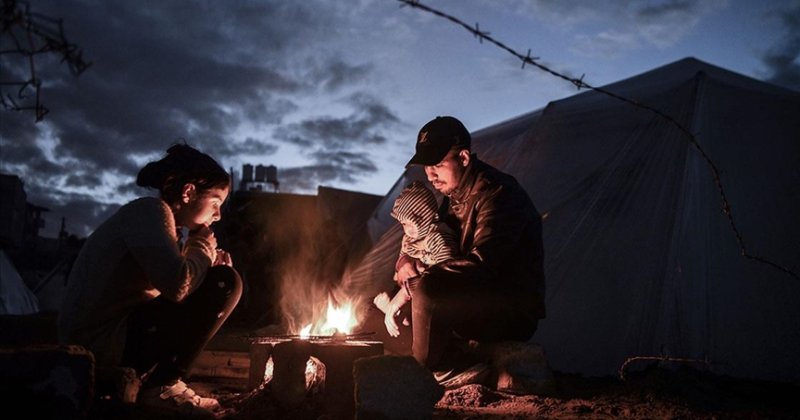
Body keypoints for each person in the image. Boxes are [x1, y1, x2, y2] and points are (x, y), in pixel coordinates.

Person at [58, 143, 242, 416]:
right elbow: (178, 286)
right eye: (215, 203)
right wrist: (201, 248)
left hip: (113, 335)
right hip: (100, 340)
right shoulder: (150, 212)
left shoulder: (161, 223)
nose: (217, 215)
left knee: (217, 278)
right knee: (224, 283)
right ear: (189, 192)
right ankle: (161, 386)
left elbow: (173, 285)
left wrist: (204, 264)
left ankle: (165, 383)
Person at [393, 115, 546, 371]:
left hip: (508, 309)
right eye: (426, 167)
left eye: (438, 164)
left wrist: (420, 280)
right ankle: (435, 360)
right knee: (379, 304)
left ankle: (425, 372)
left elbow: (481, 265)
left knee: (429, 288)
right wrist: (405, 263)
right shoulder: (452, 196)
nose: (430, 175)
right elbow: (426, 241)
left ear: (463, 158)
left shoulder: (499, 194)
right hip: (465, 298)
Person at [373, 181, 457, 338]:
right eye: (402, 224)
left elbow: (446, 276)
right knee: (377, 302)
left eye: (408, 223)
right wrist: (403, 266)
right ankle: (400, 314)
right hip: (411, 284)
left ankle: (403, 315)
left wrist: (403, 293)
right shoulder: (410, 239)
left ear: (422, 218)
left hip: (433, 291)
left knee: (420, 293)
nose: (405, 229)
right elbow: (402, 260)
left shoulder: (437, 237)